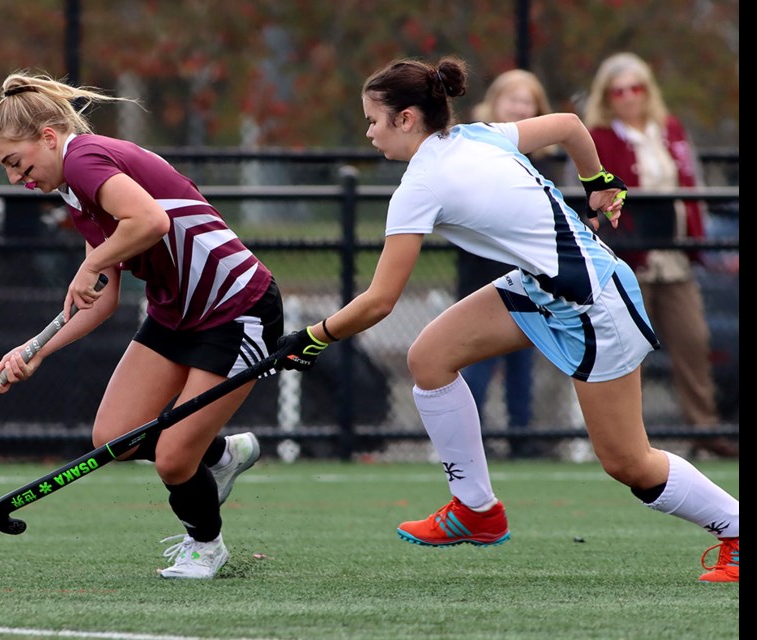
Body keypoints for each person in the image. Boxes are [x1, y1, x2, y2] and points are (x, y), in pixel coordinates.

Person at [276, 56, 739, 583]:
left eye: (374, 120)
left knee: (628, 462)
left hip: (595, 305)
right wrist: (599, 182)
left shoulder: (420, 185)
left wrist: (313, 337)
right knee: (429, 358)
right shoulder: (479, 134)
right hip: (543, 289)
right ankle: (475, 510)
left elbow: (382, 300)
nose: (369, 132)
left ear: (406, 119)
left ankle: (738, 530)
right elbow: (568, 126)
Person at [0, 70, 284, 579]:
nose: (16, 178)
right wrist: (34, 350)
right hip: (175, 315)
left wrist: (90, 264)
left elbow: (150, 221)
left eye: (16, 162)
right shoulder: (76, 193)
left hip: (238, 308)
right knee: (114, 437)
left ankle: (205, 546)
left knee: (171, 460)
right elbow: (99, 304)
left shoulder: (83, 158)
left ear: (48, 138)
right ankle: (222, 455)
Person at [581, 52, 737, 459]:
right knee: (630, 347)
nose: (629, 97)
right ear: (608, 97)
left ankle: (703, 428)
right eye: (619, 91)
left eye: (637, 88)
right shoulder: (599, 136)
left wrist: (699, 239)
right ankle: (628, 439)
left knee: (693, 340)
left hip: (677, 257)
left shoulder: (669, 129)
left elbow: (692, 184)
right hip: (630, 258)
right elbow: (589, 198)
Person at [457, 69, 560, 458]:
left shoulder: (544, 163)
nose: (518, 107)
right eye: (511, 99)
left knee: (522, 360)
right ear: (494, 103)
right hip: (482, 277)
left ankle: (522, 436)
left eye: (527, 101)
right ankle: (472, 441)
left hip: (532, 282)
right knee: (477, 362)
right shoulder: (475, 151)